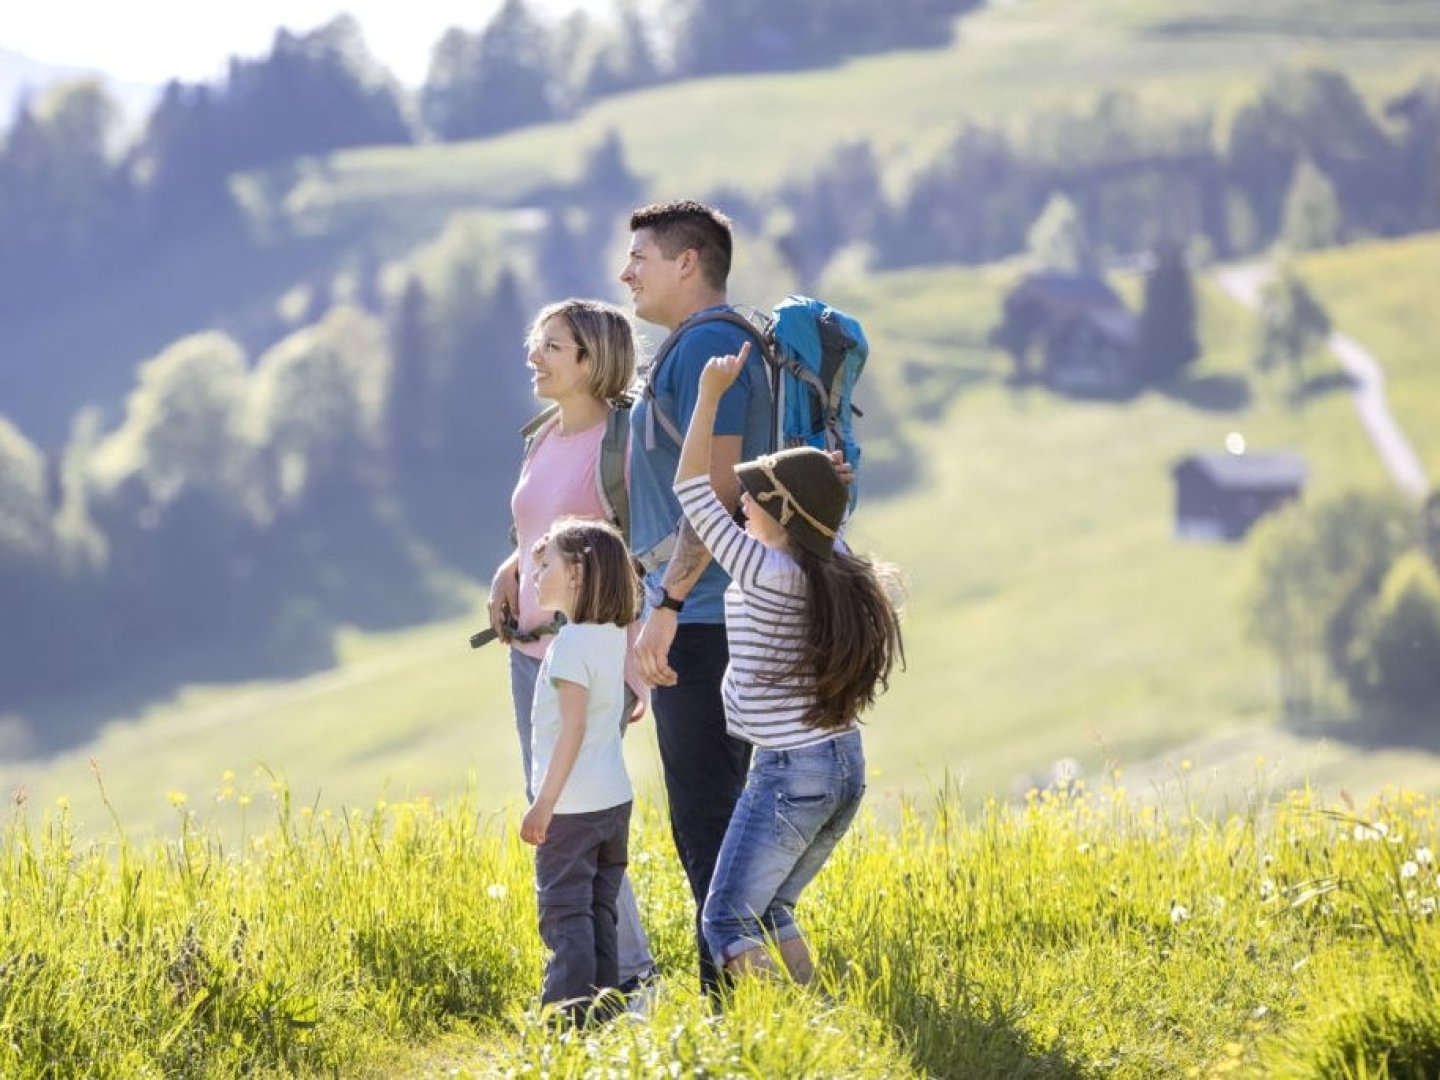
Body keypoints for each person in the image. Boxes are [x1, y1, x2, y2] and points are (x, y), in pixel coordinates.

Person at [674, 347, 904, 986]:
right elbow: (821, 518)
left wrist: (709, 396)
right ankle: (818, 1027)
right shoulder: (826, 562)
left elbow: (692, 489)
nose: (741, 501)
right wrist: (826, 485)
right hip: (838, 764)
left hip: (790, 771)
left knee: (725, 922)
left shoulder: (765, 569)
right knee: (772, 909)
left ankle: (780, 1042)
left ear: (779, 512)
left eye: (752, 494)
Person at [618, 200, 774, 996]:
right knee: (730, 807)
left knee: (708, 814)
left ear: (688, 263)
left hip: (708, 616)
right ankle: (753, 992)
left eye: (640, 256)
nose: (626, 273)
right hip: (732, 607)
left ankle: (735, 1004)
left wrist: (667, 604)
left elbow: (712, 494)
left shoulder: (708, 346)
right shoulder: (719, 345)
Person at [486, 299, 656, 994]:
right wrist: (509, 570)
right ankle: (613, 976)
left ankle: (625, 977)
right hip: (531, 652)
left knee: (573, 820)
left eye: (550, 346)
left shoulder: (623, 448)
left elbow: (640, 555)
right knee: (560, 811)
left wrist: (635, 665)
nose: (534, 355)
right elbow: (536, 531)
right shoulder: (545, 435)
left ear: (590, 361)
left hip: (589, 658)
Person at [518, 516, 641, 1024]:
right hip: (612, 801)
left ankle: (566, 1023)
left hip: (571, 810)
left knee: (566, 914)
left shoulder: (568, 646)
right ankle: (603, 1016)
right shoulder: (610, 636)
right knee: (599, 912)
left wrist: (542, 805)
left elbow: (570, 732)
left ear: (576, 575)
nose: (533, 573)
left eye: (545, 564)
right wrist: (556, 546)